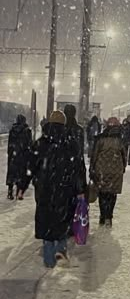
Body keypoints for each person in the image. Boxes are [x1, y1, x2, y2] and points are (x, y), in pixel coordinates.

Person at [26, 110, 86, 268]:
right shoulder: (72, 143)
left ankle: (49, 259)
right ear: (64, 124)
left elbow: (30, 166)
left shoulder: (41, 143)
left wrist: (23, 184)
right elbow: (79, 168)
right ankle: (60, 250)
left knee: (46, 222)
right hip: (65, 190)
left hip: (44, 190)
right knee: (62, 220)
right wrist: (81, 189)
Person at [90, 117, 127, 227]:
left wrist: (92, 168)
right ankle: (109, 217)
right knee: (112, 194)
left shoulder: (101, 138)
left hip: (101, 170)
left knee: (102, 193)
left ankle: (102, 216)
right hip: (116, 170)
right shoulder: (120, 139)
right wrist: (123, 167)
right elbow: (124, 155)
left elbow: (94, 154)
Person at [6, 114, 32, 200]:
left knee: (12, 174)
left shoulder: (12, 130)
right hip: (22, 156)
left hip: (13, 155)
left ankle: (10, 192)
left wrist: (10, 153)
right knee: (21, 174)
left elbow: (10, 143)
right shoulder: (27, 131)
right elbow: (29, 144)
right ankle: (18, 193)